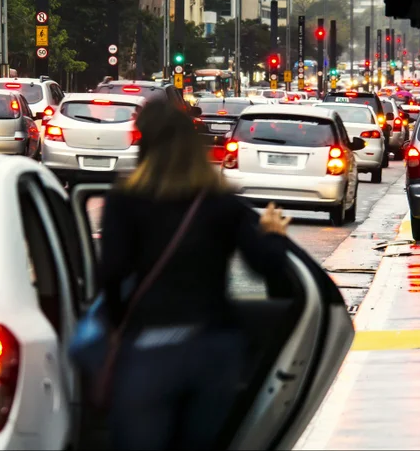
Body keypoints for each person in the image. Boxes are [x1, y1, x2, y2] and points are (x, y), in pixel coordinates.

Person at [99, 99, 291, 450]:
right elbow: (267, 266)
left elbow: (111, 273)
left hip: (150, 347)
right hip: (214, 348)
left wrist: (118, 326)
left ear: (145, 145)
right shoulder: (220, 203)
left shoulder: (126, 202)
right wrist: (274, 235)